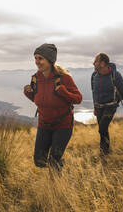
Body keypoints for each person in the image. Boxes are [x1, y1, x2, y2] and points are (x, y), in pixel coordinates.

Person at [24, 43, 82, 173]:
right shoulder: (35, 79)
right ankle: (59, 162)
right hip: (44, 125)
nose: (37, 62)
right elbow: (39, 100)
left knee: (53, 161)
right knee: (39, 161)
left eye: (40, 58)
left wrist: (63, 92)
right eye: (35, 58)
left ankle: (56, 188)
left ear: (50, 60)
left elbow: (78, 99)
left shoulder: (64, 78)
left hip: (63, 125)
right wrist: (28, 93)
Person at [91, 53, 123, 156]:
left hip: (111, 106)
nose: (93, 63)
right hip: (99, 107)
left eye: (96, 61)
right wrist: (95, 107)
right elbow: (94, 92)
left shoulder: (115, 75)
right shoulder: (94, 76)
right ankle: (105, 151)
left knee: (102, 128)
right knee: (102, 130)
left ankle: (104, 152)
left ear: (103, 63)